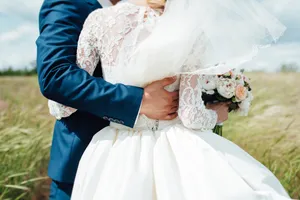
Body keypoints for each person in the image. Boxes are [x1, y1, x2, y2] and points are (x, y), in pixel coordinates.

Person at [46, 0, 292, 199]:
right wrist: (218, 113)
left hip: (114, 147)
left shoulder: (98, 19)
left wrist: (64, 104)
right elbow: (191, 116)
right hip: (176, 147)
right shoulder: (190, 28)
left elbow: (62, 105)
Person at [36, 0, 179, 199]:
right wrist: (139, 101)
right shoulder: (69, 3)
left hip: (153, 158)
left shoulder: (155, 8)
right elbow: (56, 76)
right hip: (83, 160)